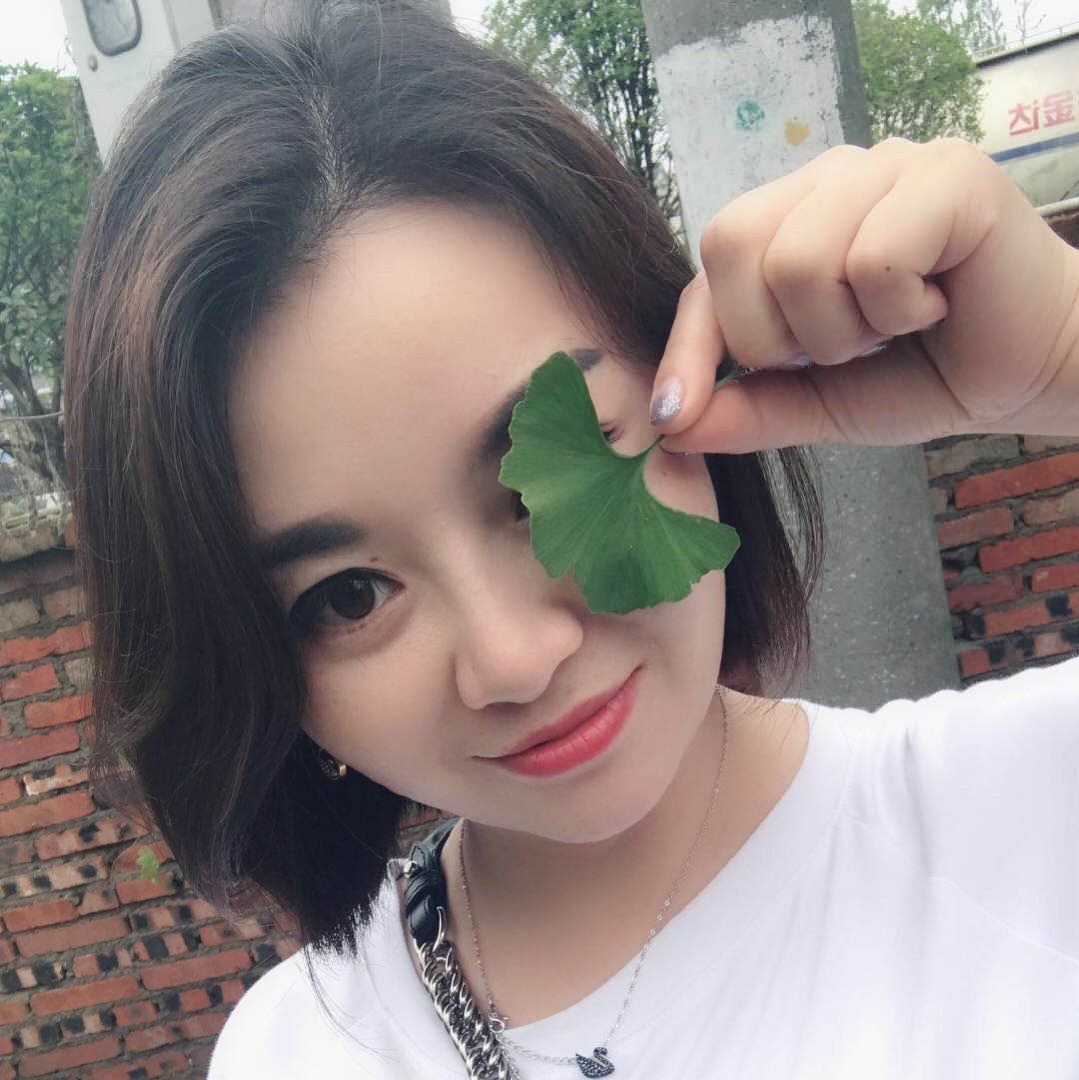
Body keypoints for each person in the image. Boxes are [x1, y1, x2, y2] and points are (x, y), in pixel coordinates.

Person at [61, 1, 1079, 1078]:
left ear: (685, 372)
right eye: (347, 596)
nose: (513, 658)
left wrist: (1065, 348)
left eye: (546, 472)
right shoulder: (301, 1052)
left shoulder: (1027, 809)